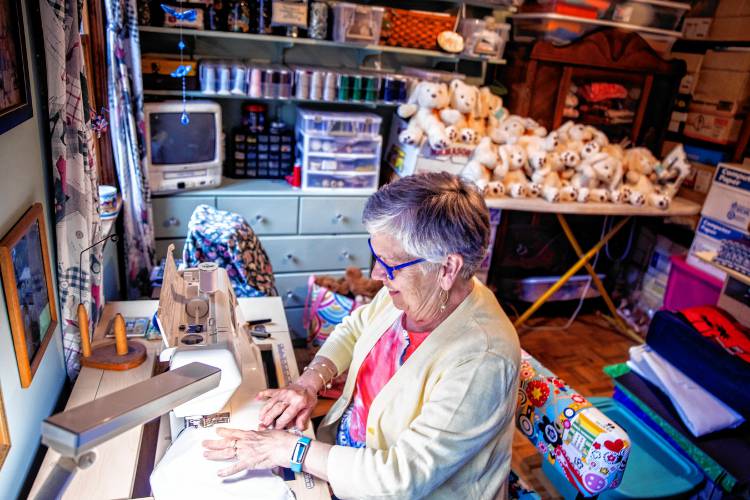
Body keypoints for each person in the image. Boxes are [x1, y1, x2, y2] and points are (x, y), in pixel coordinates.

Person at [203, 172, 521, 499]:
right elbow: (357, 328)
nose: (376, 275)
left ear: (448, 269)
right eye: (377, 256)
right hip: (349, 462)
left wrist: (291, 450)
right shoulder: (414, 292)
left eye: (391, 264)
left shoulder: (482, 360)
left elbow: (397, 479)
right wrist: (309, 382)